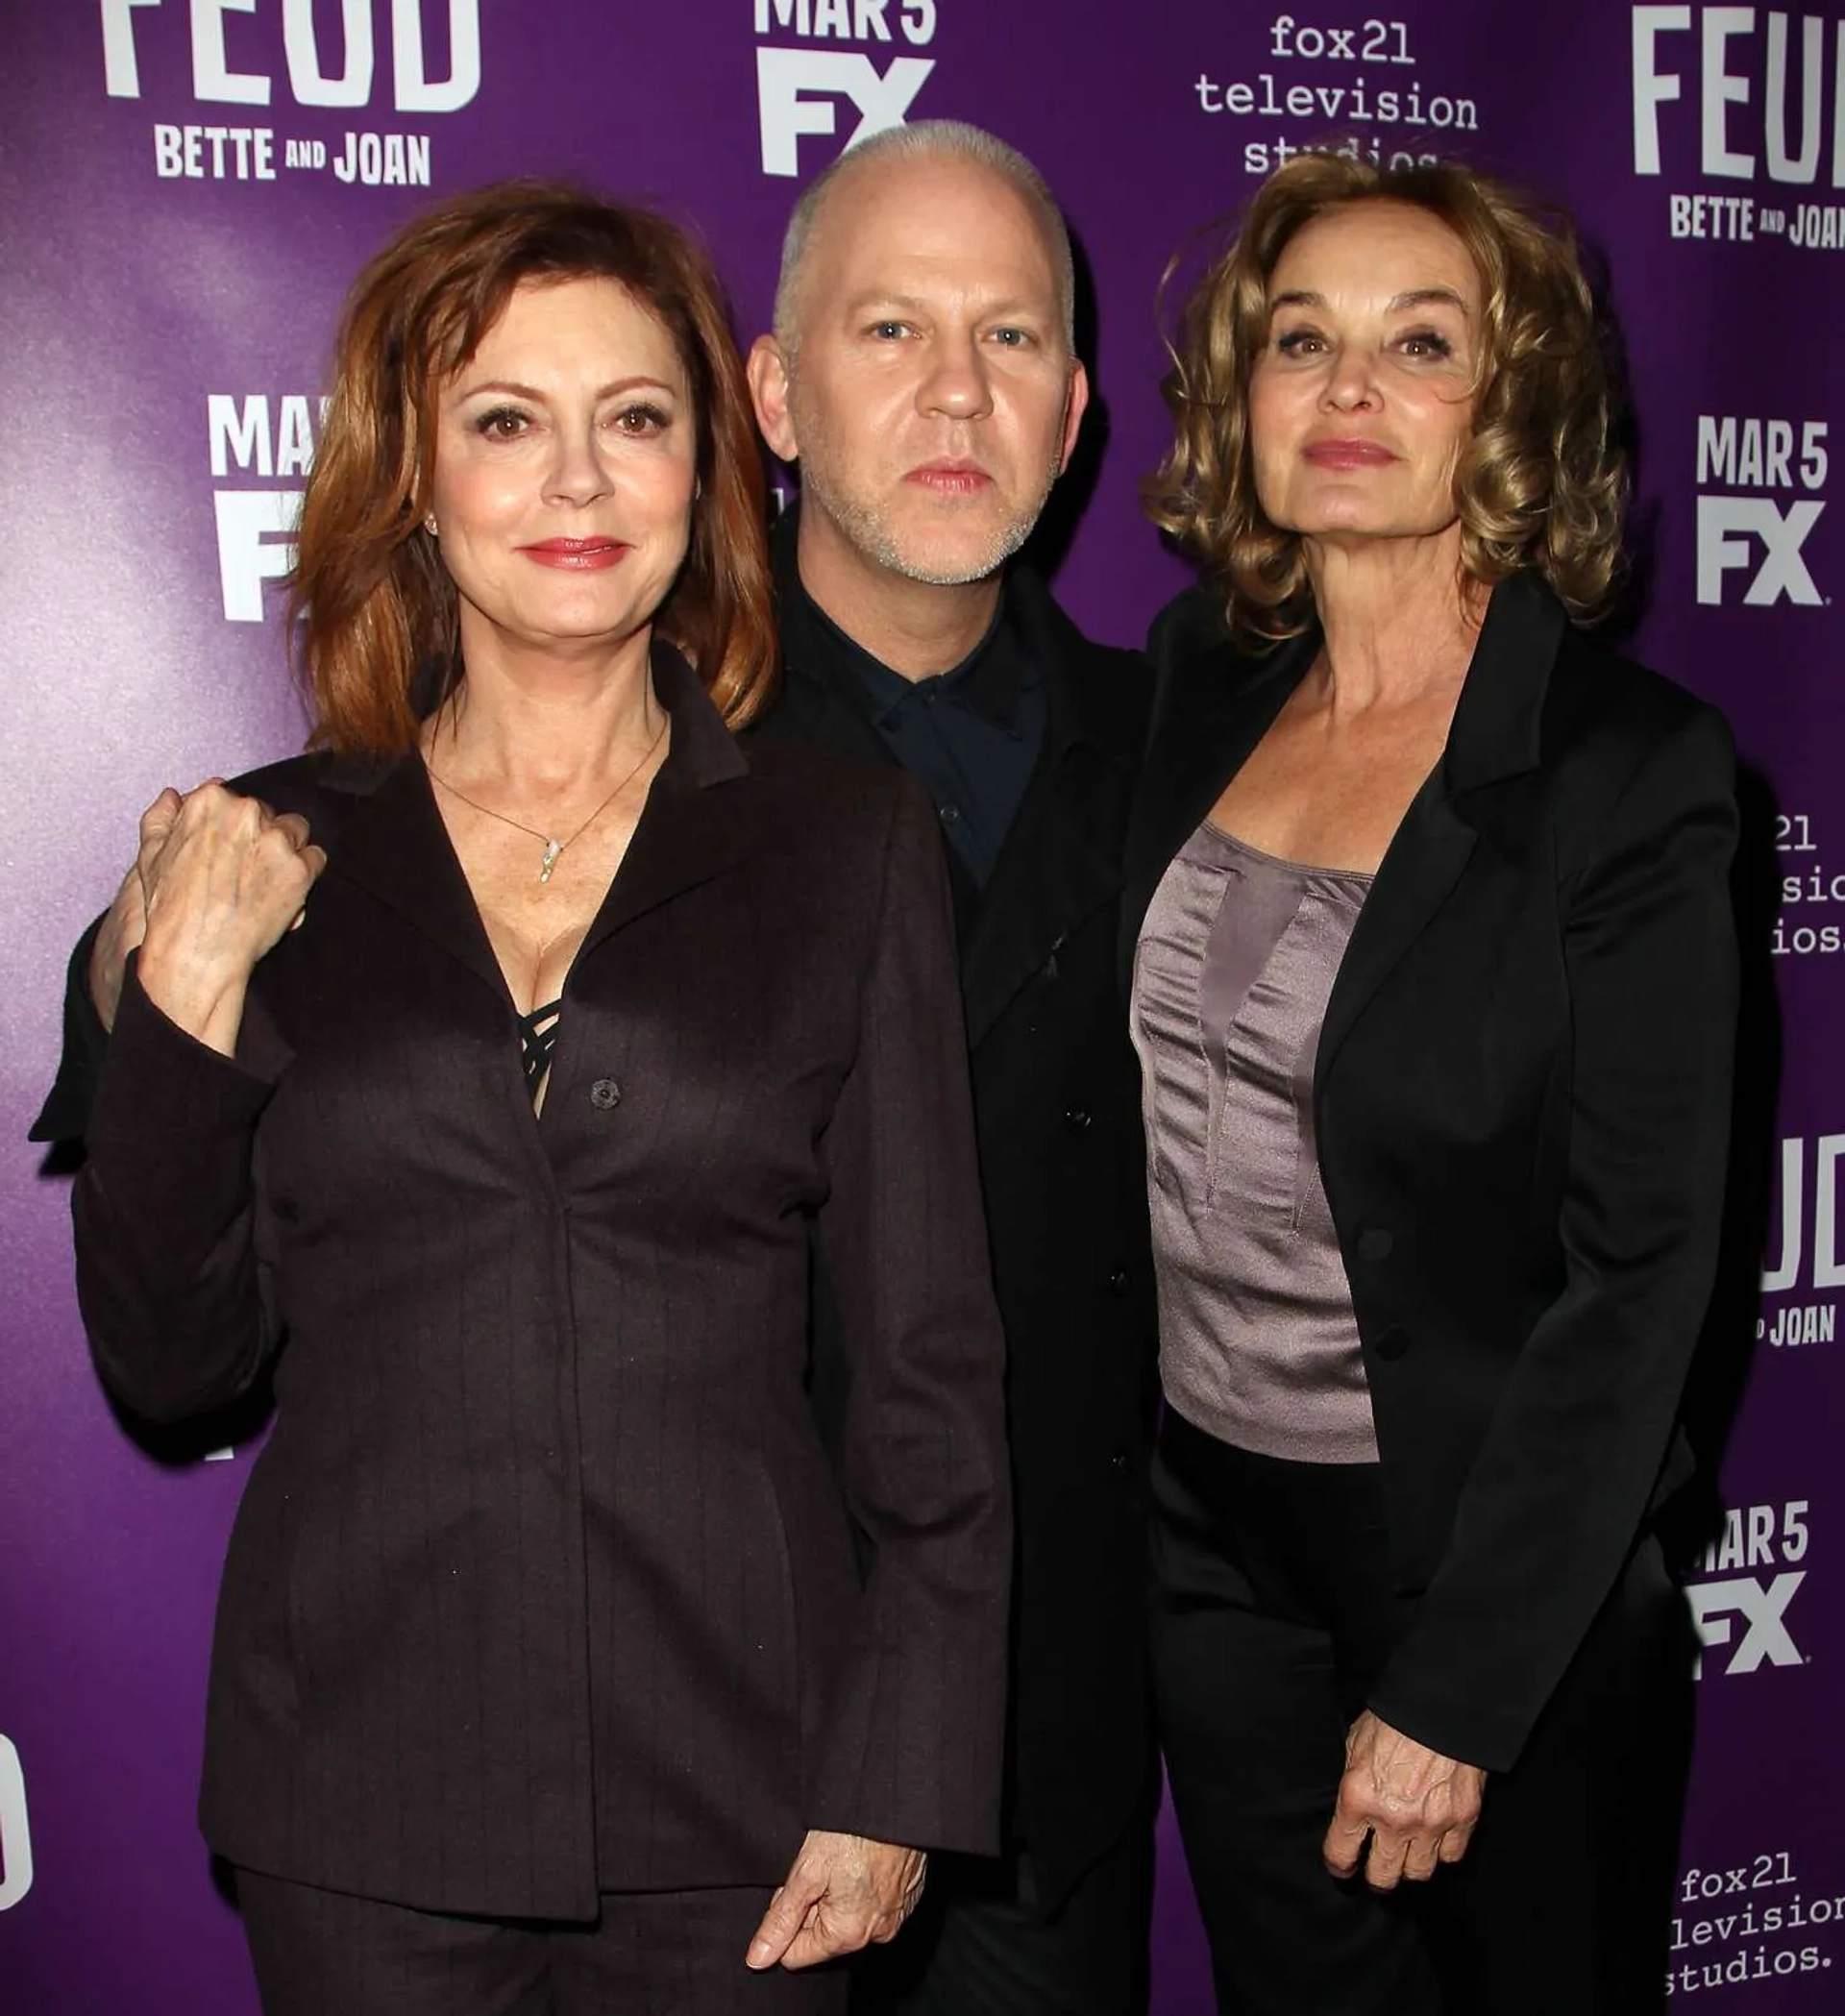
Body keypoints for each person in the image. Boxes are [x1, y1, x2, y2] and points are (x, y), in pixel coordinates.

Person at [46, 182, 1011, 2015]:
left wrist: (903, 1773)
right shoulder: (276, 851)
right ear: (414, 477)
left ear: (702, 469)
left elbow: (929, 1370)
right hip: (362, 1800)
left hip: (756, 1799)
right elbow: (172, 1364)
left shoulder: (845, 846)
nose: (578, 482)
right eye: (506, 421)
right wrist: (183, 986)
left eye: (633, 421)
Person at [1127, 153, 1737, 2014]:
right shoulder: (1199, 680)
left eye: (1423, 344)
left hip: (1481, 1562)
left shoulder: (1629, 775)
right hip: (1208, 1530)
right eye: (1301, 340)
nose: (1349, 392)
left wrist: (1461, 1688)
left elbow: (1641, 1275)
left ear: (1517, 404)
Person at [743, 124, 1159, 2014]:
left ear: (1074, 411)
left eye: (1009, 340)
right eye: (892, 325)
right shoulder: (621, 748)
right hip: (715, 1736)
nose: (953, 393)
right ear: (773, 387)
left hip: (1045, 1746)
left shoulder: (1188, 750)